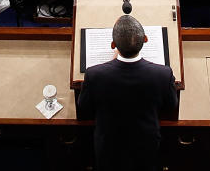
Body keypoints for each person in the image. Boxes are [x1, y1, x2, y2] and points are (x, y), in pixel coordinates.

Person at [76, 14, 179, 171]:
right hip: (146, 148)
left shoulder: (94, 74)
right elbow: (172, 105)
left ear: (113, 45)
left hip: (108, 150)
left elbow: (84, 107)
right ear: (145, 39)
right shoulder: (163, 74)